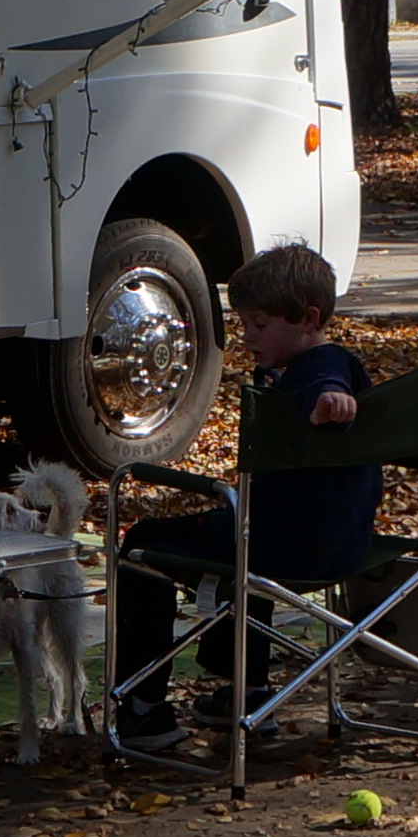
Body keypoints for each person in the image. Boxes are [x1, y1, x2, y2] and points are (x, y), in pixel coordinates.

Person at [109, 245, 374, 761]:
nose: (247, 336)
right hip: (342, 542)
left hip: (284, 546)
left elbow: (326, 388)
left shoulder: (320, 369)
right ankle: (249, 692)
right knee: (247, 530)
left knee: (143, 543)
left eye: (258, 324)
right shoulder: (323, 364)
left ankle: (143, 707)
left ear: (308, 320)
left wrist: (332, 401)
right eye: (244, 323)